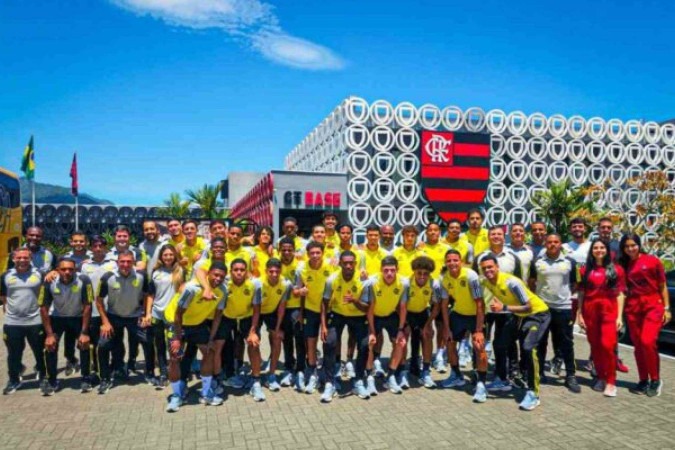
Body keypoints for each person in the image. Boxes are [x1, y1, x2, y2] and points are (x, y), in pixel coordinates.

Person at [480, 255, 551, 411]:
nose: (487, 270)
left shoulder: (512, 282)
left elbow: (528, 307)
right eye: (484, 268)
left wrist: (504, 308)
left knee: (528, 348)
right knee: (499, 344)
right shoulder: (486, 281)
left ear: (497, 267)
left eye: (490, 267)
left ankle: (533, 393)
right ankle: (503, 380)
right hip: (519, 316)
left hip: (537, 314)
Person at [163, 261, 228, 411]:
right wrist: (178, 339)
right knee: (175, 356)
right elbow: (178, 314)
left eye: (222, 277)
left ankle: (206, 393)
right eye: (215, 275)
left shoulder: (223, 291)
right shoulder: (192, 289)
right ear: (208, 274)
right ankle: (177, 396)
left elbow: (217, 317)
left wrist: (211, 339)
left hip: (197, 324)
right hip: (175, 322)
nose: (218, 279)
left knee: (209, 351)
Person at [618, 234, 671, 397]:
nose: (630, 248)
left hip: (653, 306)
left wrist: (667, 308)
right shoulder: (624, 265)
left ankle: (655, 379)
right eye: (626, 246)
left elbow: (662, 286)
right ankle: (643, 380)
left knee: (648, 342)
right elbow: (622, 290)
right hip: (633, 309)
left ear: (639, 245)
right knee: (639, 347)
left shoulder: (652, 261)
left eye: (633, 245)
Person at [96, 251, 155, 393]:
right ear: (117, 262)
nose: (125, 264)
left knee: (147, 342)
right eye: (122, 261)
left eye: (129, 261)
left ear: (133, 262)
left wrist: (147, 314)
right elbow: (98, 301)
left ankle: (150, 373)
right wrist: (105, 322)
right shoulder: (107, 277)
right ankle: (105, 378)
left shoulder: (142, 276)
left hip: (135, 317)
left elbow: (148, 295)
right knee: (103, 345)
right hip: (113, 317)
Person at [530, 234, 581, 393]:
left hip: (563, 308)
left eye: (556, 242)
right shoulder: (537, 262)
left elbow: (575, 283)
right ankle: (539, 373)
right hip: (542, 309)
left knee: (566, 343)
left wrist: (562, 296)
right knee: (540, 342)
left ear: (561, 244)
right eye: (549, 242)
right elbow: (531, 283)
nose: (552, 244)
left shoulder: (570, 262)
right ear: (545, 244)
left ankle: (571, 376)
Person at [577, 239, 626, 397]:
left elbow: (620, 294)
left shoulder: (617, 270)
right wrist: (580, 313)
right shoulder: (585, 270)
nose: (599, 250)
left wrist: (619, 317)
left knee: (607, 346)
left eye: (602, 247)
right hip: (590, 311)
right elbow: (582, 293)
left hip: (608, 311)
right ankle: (601, 377)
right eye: (596, 248)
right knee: (595, 346)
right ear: (591, 251)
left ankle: (611, 381)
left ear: (607, 250)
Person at [438, 250, 489, 403]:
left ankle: (481, 384)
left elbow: (480, 303)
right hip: (458, 314)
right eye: (449, 260)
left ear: (460, 261)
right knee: (449, 342)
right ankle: (456, 375)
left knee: (479, 346)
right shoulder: (444, 279)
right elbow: (445, 305)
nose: (452, 263)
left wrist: (479, 330)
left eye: (455, 260)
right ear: (446, 262)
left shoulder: (470, 276)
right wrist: (446, 328)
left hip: (475, 316)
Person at [320, 251, 371, 401]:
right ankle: (330, 383)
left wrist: (355, 301)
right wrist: (323, 326)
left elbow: (366, 308)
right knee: (329, 342)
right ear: (340, 263)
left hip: (358, 316)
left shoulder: (363, 280)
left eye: (351, 263)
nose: (348, 266)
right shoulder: (331, 280)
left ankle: (358, 380)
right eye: (345, 263)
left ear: (355, 264)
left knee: (364, 345)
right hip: (338, 314)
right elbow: (324, 304)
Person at [40, 257, 94, 394]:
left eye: (71, 269)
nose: (67, 272)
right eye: (63, 269)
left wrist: (84, 332)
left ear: (75, 270)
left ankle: (86, 378)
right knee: (50, 346)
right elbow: (43, 308)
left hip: (78, 317)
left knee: (84, 344)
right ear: (57, 270)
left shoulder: (84, 280)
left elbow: (88, 306)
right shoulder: (49, 281)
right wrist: (49, 335)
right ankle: (52, 380)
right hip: (57, 318)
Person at [0, 248, 47, 395]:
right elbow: (3, 295)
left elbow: (47, 291)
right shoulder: (6, 275)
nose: (22, 260)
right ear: (13, 259)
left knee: (40, 352)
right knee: (13, 354)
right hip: (13, 322)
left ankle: (44, 377)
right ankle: (13, 380)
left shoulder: (39, 274)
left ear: (30, 258)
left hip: (35, 321)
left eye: (25, 258)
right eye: (19, 258)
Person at [363, 255, 409, 395]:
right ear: (381, 270)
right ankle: (369, 377)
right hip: (374, 316)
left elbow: (403, 307)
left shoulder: (404, 283)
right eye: (386, 270)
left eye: (392, 270)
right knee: (369, 343)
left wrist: (401, 329)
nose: (389, 273)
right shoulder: (372, 282)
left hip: (390, 315)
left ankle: (391, 376)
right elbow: (369, 309)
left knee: (401, 342)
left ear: (397, 270)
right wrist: (371, 331)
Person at [221, 259, 265, 401]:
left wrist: (253, 331)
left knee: (253, 344)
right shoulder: (224, 285)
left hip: (247, 318)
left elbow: (257, 309)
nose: (239, 272)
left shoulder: (254, 285)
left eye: (242, 269)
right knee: (219, 346)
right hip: (228, 318)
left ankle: (256, 381)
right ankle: (219, 378)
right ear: (230, 271)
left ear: (246, 271)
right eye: (236, 269)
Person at [295, 241, 335, 394]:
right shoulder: (302, 269)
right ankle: (312, 373)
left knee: (328, 342)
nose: (315, 256)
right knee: (310, 343)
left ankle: (327, 374)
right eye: (312, 253)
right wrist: (300, 293)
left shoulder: (331, 266)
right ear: (308, 254)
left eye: (318, 253)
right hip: (311, 310)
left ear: (323, 253)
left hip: (329, 310)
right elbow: (296, 290)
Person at [80, 236, 118, 384]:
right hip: (93, 310)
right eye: (95, 246)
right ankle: (96, 370)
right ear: (91, 248)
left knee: (112, 342)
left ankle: (114, 367)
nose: (98, 248)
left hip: (111, 308)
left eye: (101, 246)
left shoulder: (114, 264)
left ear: (105, 247)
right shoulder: (85, 266)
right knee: (96, 344)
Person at [148, 244, 185, 389]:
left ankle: (176, 370)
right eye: (165, 255)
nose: (168, 257)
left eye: (171, 254)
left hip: (173, 315)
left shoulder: (181, 271)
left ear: (175, 256)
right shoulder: (155, 271)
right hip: (157, 313)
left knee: (174, 345)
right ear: (161, 257)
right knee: (160, 344)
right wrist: (148, 313)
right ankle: (163, 372)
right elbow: (151, 294)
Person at [596, 217, 629, 374]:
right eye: (603, 227)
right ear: (598, 229)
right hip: (598, 293)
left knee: (614, 329)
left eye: (609, 227)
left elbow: (624, 267)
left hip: (614, 293)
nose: (606, 230)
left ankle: (614, 359)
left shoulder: (618, 246)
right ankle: (595, 360)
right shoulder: (595, 246)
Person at [405, 256, 442, 389]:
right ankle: (402, 371)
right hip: (407, 313)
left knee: (427, 336)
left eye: (425, 274)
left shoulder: (434, 283)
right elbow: (400, 305)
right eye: (419, 273)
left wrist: (428, 325)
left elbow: (436, 306)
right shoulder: (406, 283)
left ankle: (425, 371)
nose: (422, 276)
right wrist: (405, 324)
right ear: (414, 271)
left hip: (422, 312)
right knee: (403, 337)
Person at [259, 258, 291, 392]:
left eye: (277, 271)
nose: (274, 274)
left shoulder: (286, 284)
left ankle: (271, 376)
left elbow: (282, 307)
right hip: (255, 312)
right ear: (266, 271)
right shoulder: (258, 283)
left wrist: (277, 329)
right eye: (271, 271)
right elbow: (254, 307)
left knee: (277, 338)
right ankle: (255, 376)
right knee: (252, 341)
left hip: (271, 312)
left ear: (280, 271)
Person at [278, 237, 306, 389]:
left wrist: (302, 312)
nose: (287, 252)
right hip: (281, 309)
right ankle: (289, 368)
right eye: (284, 250)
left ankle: (301, 370)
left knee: (299, 340)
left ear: (294, 251)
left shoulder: (301, 265)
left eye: (290, 250)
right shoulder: (276, 264)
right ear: (279, 250)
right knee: (286, 340)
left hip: (297, 308)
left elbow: (304, 289)